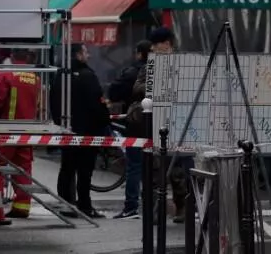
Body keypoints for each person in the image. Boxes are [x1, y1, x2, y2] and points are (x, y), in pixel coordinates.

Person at [128, 27, 188, 222]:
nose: (152, 48)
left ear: (167, 44)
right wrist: (156, 85)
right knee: (154, 171)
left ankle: (182, 208)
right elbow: (137, 89)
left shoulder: (183, 64)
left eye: (156, 45)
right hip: (155, 123)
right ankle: (155, 211)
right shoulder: (150, 67)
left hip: (177, 124)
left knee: (177, 171)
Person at [50, 43, 110, 219]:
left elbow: (53, 100)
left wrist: (58, 122)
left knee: (67, 168)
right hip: (87, 131)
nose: (89, 55)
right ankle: (84, 206)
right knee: (85, 170)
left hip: (66, 129)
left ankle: (66, 204)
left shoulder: (60, 75)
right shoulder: (88, 76)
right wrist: (104, 119)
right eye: (85, 52)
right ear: (77, 55)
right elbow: (96, 103)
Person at [0, 48, 42, 218]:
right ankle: (22, 206)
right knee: (23, 169)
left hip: (7, 129)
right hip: (28, 129)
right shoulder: (35, 77)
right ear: (27, 57)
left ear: (12, 57)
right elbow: (39, 104)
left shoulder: (6, 75)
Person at [112, 39, 152, 219]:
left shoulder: (132, 72)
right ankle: (152, 208)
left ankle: (131, 206)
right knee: (153, 167)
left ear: (139, 53)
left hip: (136, 125)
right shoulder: (160, 70)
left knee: (134, 166)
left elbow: (114, 92)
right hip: (155, 125)